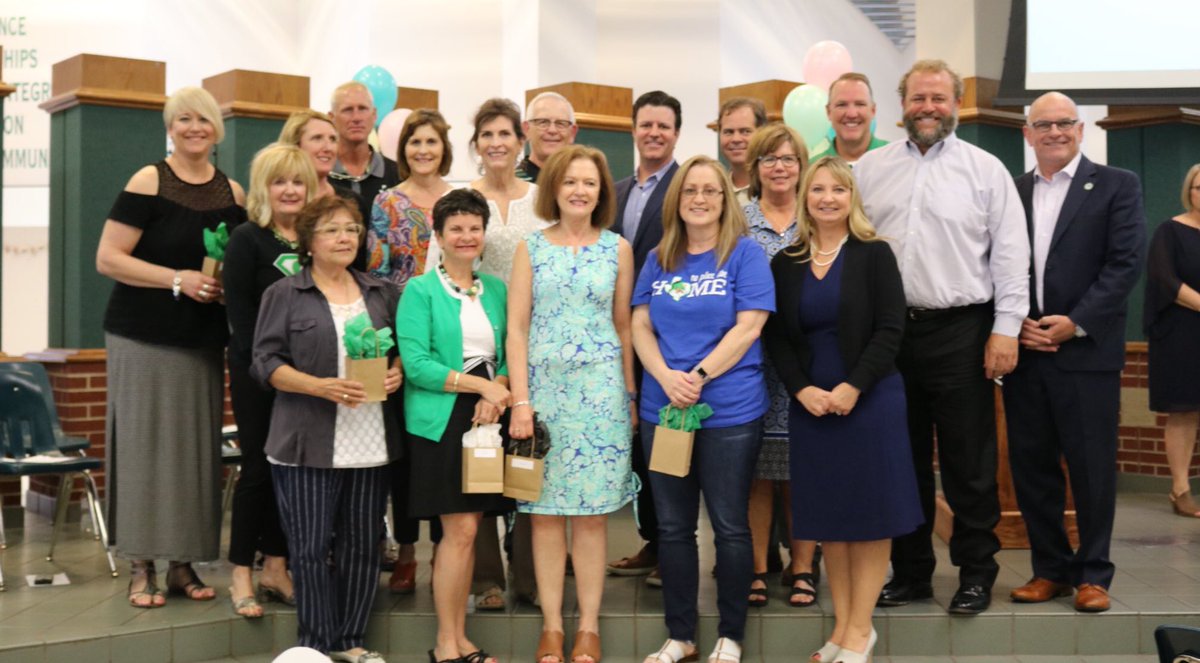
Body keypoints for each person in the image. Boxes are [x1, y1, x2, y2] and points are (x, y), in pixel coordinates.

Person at [854, 59, 1030, 615]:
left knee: (968, 465)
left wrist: (1006, 329)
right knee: (899, 461)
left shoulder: (986, 170)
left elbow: (1010, 256)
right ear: (901, 104)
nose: (927, 108)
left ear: (954, 104)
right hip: (888, 338)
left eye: (938, 98)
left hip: (962, 331)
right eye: (917, 98)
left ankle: (976, 574)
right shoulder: (869, 170)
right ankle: (910, 574)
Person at [764, 157, 922, 663]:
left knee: (869, 519)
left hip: (870, 400)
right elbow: (778, 338)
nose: (827, 198)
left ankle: (860, 630)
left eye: (837, 189)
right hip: (812, 406)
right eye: (817, 190)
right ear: (804, 198)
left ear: (851, 197)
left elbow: (891, 329)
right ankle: (840, 628)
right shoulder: (785, 262)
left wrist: (854, 385)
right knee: (831, 518)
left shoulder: (874, 255)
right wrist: (801, 389)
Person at [95, 86, 247, 608]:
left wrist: (227, 284)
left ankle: (183, 563)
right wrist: (176, 280)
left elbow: (237, 264)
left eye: (202, 119)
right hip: (141, 334)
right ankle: (141, 566)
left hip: (203, 340)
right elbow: (109, 258)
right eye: (183, 119)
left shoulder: (235, 192)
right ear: (170, 127)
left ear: (216, 128)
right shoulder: (147, 180)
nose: (194, 128)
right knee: (143, 450)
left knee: (193, 454)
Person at [1004, 92, 1146, 614]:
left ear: (1080, 128)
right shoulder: (1011, 191)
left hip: (1086, 354)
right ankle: (1050, 571)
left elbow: (1125, 264)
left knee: (1090, 470)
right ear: (1028, 133)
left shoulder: (1117, 185)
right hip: (1026, 351)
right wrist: (1015, 322)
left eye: (1064, 122)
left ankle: (1092, 574)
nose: (1055, 132)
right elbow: (995, 263)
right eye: (1043, 124)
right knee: (1032, 467)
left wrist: (1076, 323)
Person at [634, 156, 774, 663]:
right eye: (690, 190)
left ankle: (731, 635)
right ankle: (681, 635)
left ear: (723, 199)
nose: (699, 198)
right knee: (672, 527)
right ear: (678, 199)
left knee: (730, 524)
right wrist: (665, 377)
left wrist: (696, 377)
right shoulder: (659, 257)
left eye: (710, 191)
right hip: (663, 410)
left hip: (730, 411)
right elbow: (641, 326)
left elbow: (749, 326)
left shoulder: (745, 255)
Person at [252, 195, 403, 662]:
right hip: (306, 441)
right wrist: (318, 387)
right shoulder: (284, 293)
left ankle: (350, 641)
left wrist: (396, 371)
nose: (344, 238)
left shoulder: (380, 292)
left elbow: (403, 349)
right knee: (311, 548)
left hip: (371, 440)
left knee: (363, 546)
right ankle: (316, 646)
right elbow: (265, 363)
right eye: (333, 230)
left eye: (352, 230)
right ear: (309, 241)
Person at [507, 145, 636, 663]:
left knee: (591, 517)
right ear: (554, 188)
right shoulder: (530, 248)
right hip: (542, 399)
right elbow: (515, 329)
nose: (581, 190)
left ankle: (588, 628)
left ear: (602, 192)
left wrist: (628, 396)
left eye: (591, 182)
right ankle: (553, 628)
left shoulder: (618, 249)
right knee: (542, 515)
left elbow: (624, 326)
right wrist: (520, 400)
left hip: (601, 396)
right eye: (571, 182)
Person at [397, 189, 512, 663]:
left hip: (489, 417)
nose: (467, 236)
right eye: (456, 229)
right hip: (441, 420)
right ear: (439, 237)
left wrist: (498, 386)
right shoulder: (420, 291)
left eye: (474, 228)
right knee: (458, 531)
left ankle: (461, 637)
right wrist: (479, 388)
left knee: (471, 529)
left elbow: (508, 352)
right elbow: (417, 364)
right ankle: (447, 644)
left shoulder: (498, 290)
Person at [223, 144, 316, 618]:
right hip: (258, 375)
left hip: (308, 380)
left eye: (297, 181)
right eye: (279, 181)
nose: (289, 190)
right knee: (259, 470)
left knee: (292, 471)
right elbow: (239, 319)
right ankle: (241, 570)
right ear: (264, 188)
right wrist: (269, 373)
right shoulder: (246, 239)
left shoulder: (316, 241)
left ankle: (277, 568)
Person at [609, 90, 683, 586]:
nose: (654, 133)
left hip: (670, 332)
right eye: (646, 124)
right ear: (633, 129)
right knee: (638, 444)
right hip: (616, 329)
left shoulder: (687, 186)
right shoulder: (612, 191)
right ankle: (652, 539)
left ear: (677, 132)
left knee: (669, 444)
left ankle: (672, 549)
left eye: (664, 125)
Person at [740, 123, 815, 608]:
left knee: (802, 470)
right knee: (757, 473)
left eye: (788, 159)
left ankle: (803, 567)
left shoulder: (818, 217)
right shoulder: (739, 220)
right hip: (749, 363)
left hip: (809, 366)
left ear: (801, 166)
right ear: (756, 168)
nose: (780, 167)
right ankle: (757, 567)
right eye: (770, 159)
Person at [1149, 163, 1200, 519]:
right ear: (1189, 192)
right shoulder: (1170, 230)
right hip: (1182, 333)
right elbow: (1166, 281)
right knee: (1184, 410)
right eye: (1199, 187)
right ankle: (1180, 488)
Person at [279, 109, 369, 271]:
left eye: (333, 139)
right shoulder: (283, 201)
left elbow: (361, 267)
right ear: (295, 146)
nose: (328, 147)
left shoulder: (353, 202)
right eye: (317, 138)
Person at [329, 82, 400, 219]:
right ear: (332, 117)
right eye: (348, 110)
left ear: (374, 115)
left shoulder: (397, 174)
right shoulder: (320, 174)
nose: (356, 118)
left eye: (362, 109)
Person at [811, 73, 888, 165]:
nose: (851, 114)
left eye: (860, 104)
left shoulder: (896, 158)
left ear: (873, 111)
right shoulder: (812, 168)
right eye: (842, 105)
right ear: (828, 112)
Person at [716, 97, 767, 206]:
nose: (736, 139)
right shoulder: (715, 189)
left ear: (762, 134)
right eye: (728, 132)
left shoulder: (775, 189)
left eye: (745, 131)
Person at [518, 92, 578, 183]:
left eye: (561, 123)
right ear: (526, 129)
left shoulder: (582, 186)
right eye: (543, 122)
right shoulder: (510, 187)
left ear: (572, 133)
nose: (552, 130)